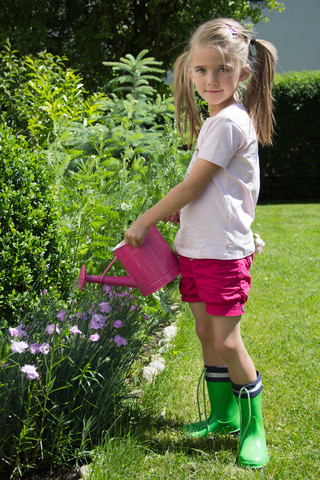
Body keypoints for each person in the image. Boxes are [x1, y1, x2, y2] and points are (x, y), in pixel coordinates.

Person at [125, 17, 277, 469]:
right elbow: (211, 188)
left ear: (243, 74)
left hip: (222, 253)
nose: (211, 80)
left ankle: (254, 429)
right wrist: (182, 212)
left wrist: (145, 219)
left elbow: (192, 186)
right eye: (202, 70)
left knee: (228, 342)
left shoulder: (229, 122)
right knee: (205, 332)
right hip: (196, 247)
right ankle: (224, 415)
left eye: (223, 71)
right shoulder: (218, 120)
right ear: (190, 70)